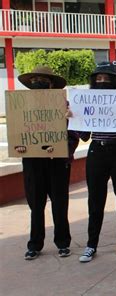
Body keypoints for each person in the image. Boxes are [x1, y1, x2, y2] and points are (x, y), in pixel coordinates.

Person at [17, 66, 79, 260]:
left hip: (57, 162)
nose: (38, 83)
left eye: (43, 80)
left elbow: (74, 134)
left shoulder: (65, 106)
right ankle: (34, 244)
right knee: (36, 204)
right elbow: (17, 132)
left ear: (52, 84)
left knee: (60, 203)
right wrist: (19, 146)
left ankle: (62, 242)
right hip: (33, 161)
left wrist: (63, 147)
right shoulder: (21, 106)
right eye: (34, 80)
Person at [76, 61, 116, 263]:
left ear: (114, 81)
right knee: (95, 201)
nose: (102, 81)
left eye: (106, 78)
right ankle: (91, 245)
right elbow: (84, 135)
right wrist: (72, 119)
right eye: (98, 79)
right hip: (96, 151)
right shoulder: (88, 102)